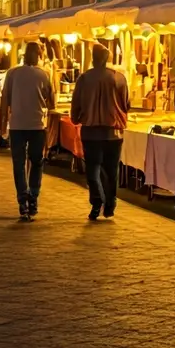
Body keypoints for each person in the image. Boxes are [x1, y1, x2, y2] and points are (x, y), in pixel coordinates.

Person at [71, 44, 130, 221]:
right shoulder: (118, 78)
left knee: (93, 170)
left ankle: (97, 200)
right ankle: (110, 205)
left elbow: (76, 105)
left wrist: (76, 118)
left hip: (91, 132)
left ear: (93, 58)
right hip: (114, 133)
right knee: (111, 171)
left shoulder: (84, 79)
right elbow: (126, 104)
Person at [0, 41, 56, 221]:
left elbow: (5, 100)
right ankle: (33, 196)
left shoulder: (12, 73)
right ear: (39, 55)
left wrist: (2, 124)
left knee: (19, 163)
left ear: (24, 55)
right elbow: (52, 102)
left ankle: (22, 199)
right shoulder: (44, 74)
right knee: (37, 162)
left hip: (16, 125)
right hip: (37, 125)